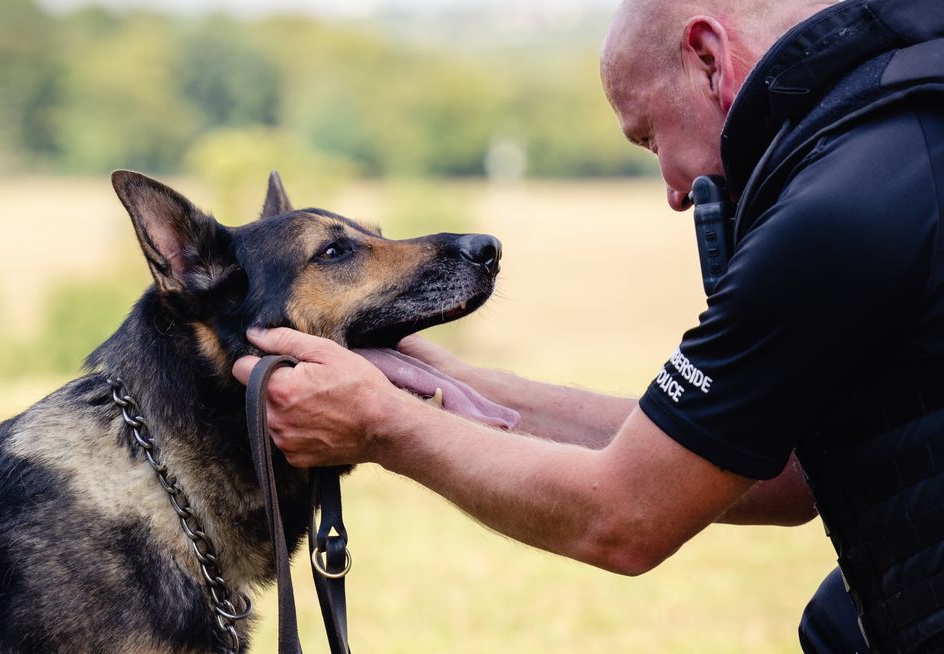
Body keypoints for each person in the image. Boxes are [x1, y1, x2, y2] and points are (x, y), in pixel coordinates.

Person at [233, 0, 944, 650]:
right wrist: (444, 381)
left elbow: (625, 518)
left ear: (706, 56)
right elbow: (780, 469)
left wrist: (381, 427)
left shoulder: (831, 212)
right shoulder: (897, 133)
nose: (672, 189)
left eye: (648, 136)